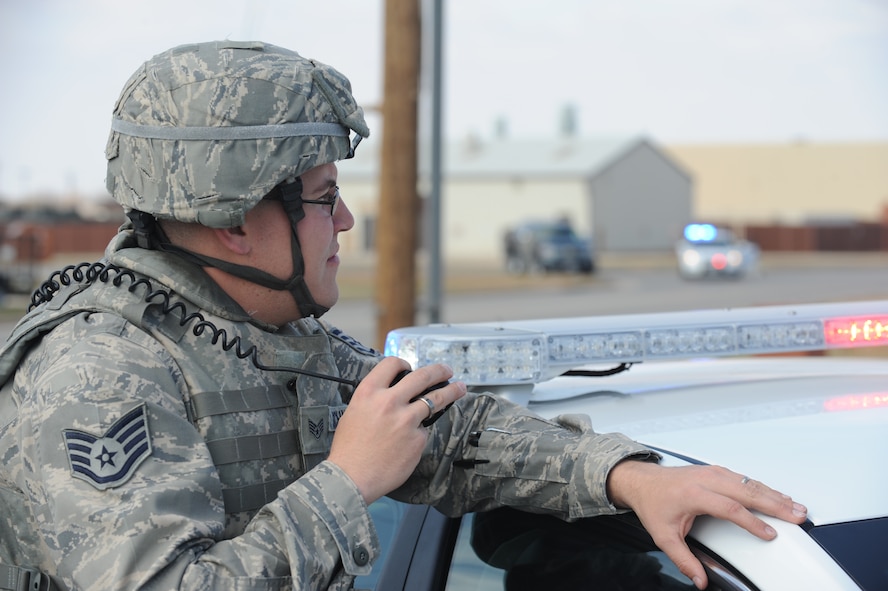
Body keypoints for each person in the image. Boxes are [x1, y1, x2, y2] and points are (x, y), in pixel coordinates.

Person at [0, 40, 806, 591]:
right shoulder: (98, 374)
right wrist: (349, 481)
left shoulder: (267, 330)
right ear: (235, 221)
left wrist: (627, 475)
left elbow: (451, 430)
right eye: (321, 199)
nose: (345, 222)